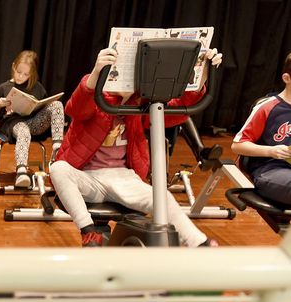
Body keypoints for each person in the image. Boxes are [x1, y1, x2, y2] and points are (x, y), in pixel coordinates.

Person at [50, 47, 222, 247]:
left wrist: (204, 72)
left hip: (123, 177)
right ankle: (89, 231)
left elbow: (180, 109)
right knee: (58, 168)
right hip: (89, 177)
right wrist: (97, 71)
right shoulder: (96, 97)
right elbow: (76, 107)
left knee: (161, 196)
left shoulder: (139, 106)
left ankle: (198, 242)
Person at [0, 50, 65, 187]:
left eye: (26, 74)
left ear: (32, 74)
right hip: (13, 125)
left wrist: (38, 107)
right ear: (13, 67)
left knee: (57, 105)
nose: (21, 76)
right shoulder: (4, 88)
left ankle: (58, 148)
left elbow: (43, 107)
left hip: (33, 123)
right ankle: (21, 171)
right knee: (23, 130)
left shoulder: (37, 88)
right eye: (18, 72)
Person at [230, 52, 291, 206]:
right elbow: (237, 146)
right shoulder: (268, 107)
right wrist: (271, 151)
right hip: (270, 170)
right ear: (287, 78)